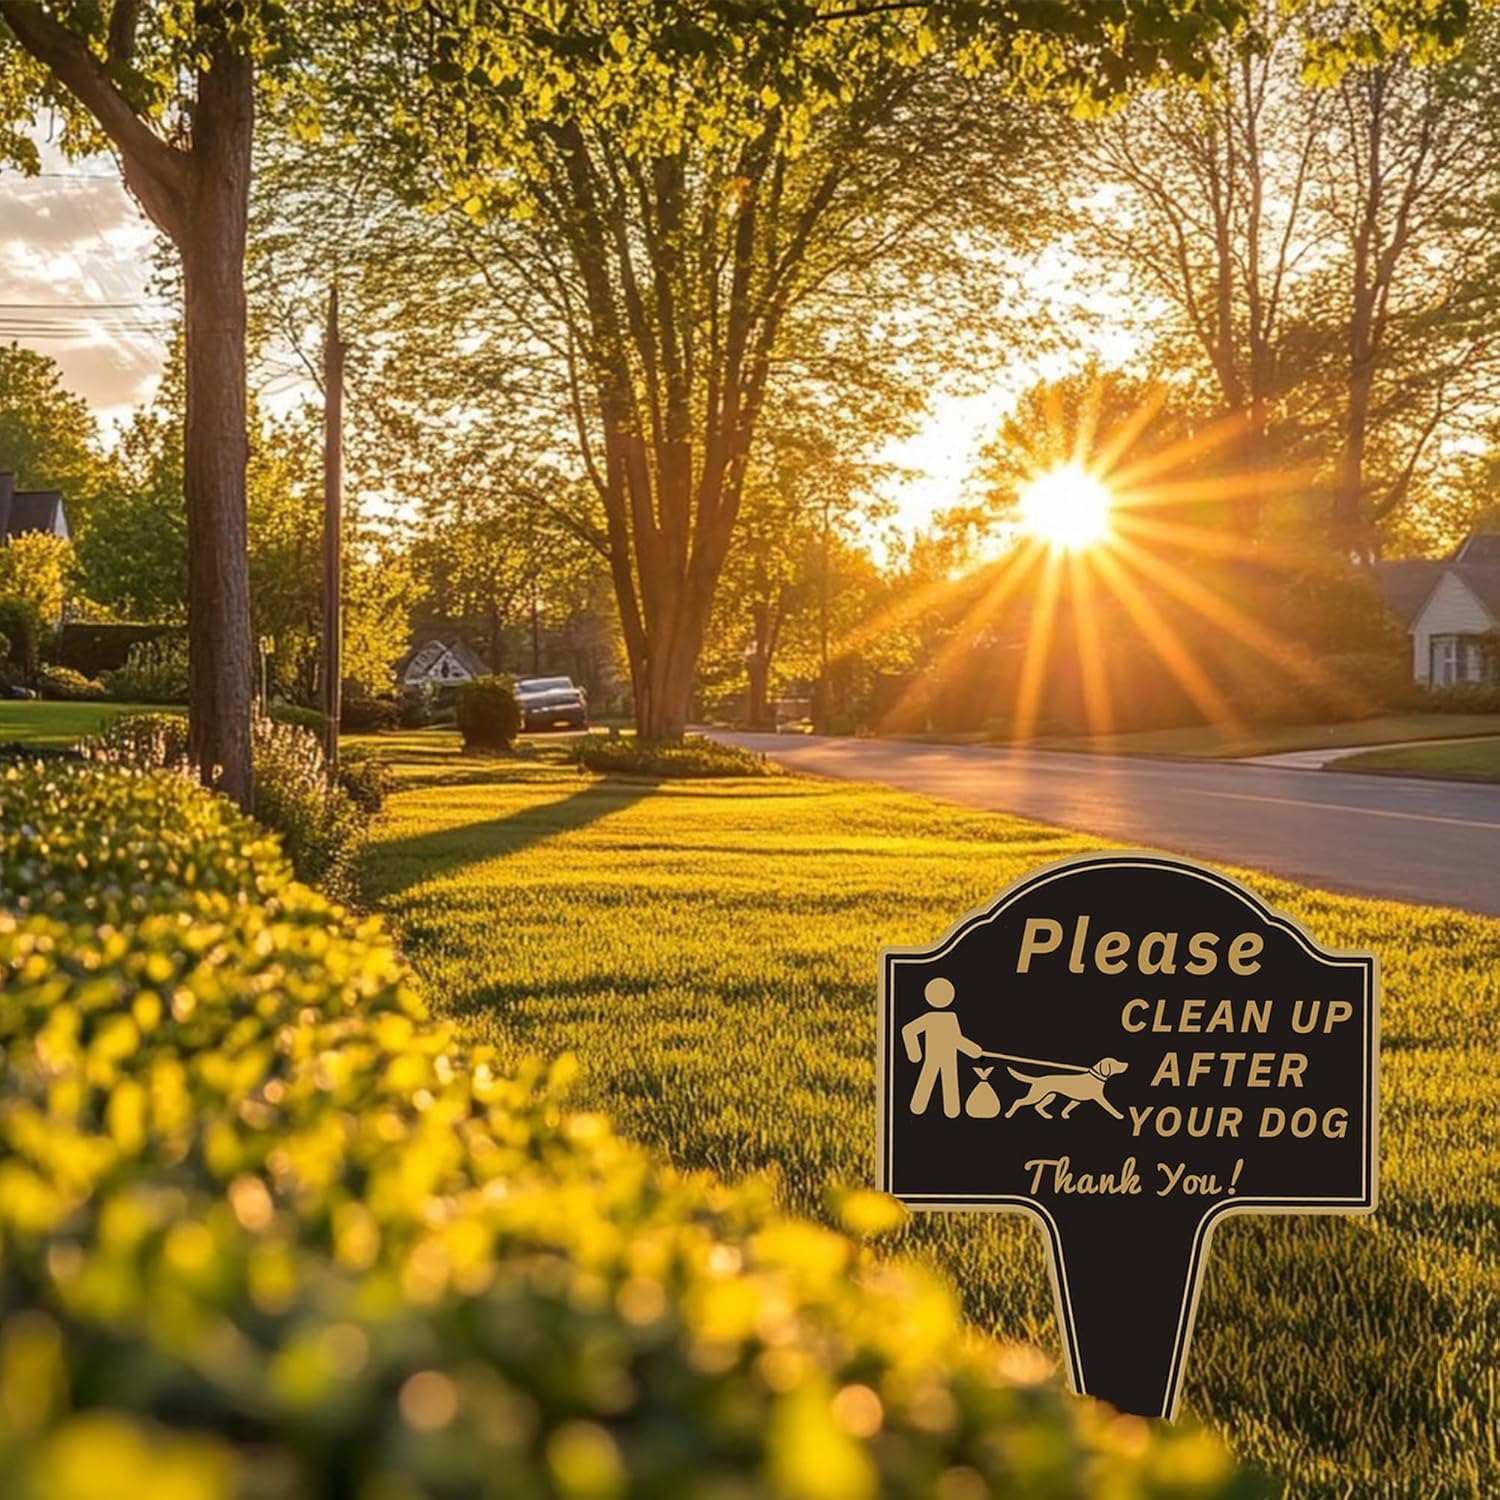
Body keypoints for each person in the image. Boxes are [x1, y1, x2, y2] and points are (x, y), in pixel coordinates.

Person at [902, 976, 983, 1118]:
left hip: (948, 1056)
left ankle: (951, 1111)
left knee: (948, 1081)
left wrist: (972, 1050)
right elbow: (908, 1030)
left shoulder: (951, 1017)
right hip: (934, 1056)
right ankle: (918, 1107)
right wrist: (914, 1054)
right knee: (929, 1079)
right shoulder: (931, 1017)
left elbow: (956, 1040)